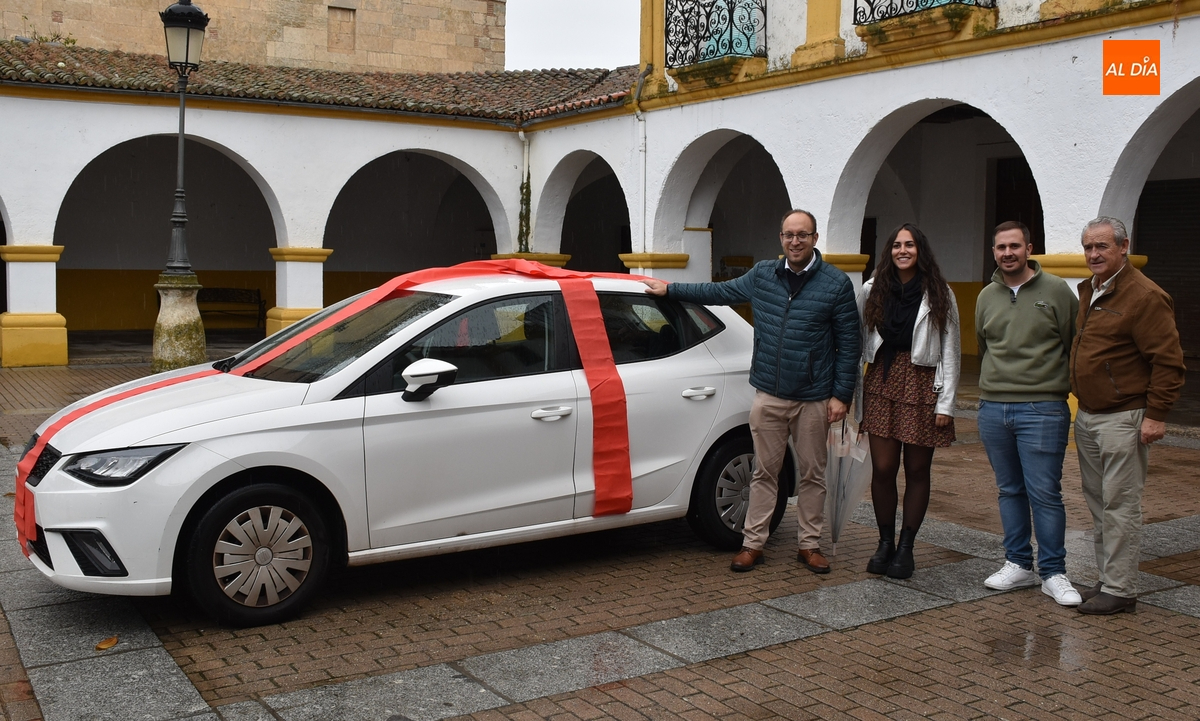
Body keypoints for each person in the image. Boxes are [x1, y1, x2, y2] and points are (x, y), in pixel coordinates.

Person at [642, 209, 860, 574]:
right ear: (781, 238)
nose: (795, 241)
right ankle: (752, 543)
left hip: (813, 397)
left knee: (812, 474)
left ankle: (809, 545)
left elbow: (849, 344)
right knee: (764, 472)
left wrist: (841, 396)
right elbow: (718, 291)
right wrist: (671, 289)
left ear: (815, 239)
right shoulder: (763, 275)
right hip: (770, 395)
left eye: (803, 235)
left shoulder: (835, 284)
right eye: (789, 235)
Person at [1071, 216, 1186, 615]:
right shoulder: (1092, 289)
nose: (1093, 254)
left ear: (1124, 247)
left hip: (1124, 416)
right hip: (1089, 415)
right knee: (1100, 503)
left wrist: (1156, 415)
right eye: (1088, 247)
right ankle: (1108, 579)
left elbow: (1168, 363)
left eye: (1102, 246)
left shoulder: (1145, 296)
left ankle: (1121, 589)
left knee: (1120, 504)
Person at [975, 221, 1081, 606]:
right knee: (1009, 490)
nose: (1008, 253)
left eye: (1015, 246)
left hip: (1043, 408)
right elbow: (985, 346)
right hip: (992, 408)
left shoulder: (1055, 291)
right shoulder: (986, 295)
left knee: (1045, 493)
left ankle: (1053, 572)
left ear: (1029, 248)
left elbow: (1074, 344)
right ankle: (1018, 564)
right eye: (1001, 247)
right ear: (994, 251)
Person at [856, 223, 959, 579]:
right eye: (897, 245)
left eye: (910, 244)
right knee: (883, 469)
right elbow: (857, 344)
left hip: (921, 384)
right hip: (881, 382)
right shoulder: (872, 290)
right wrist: (853, 398)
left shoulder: (939, 292)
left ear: (920, 250)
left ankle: (906, 547)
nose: (903, 250)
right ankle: (884, 542)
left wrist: (946, 403)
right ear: (890, 251)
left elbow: (950, 348)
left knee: (917, 470)